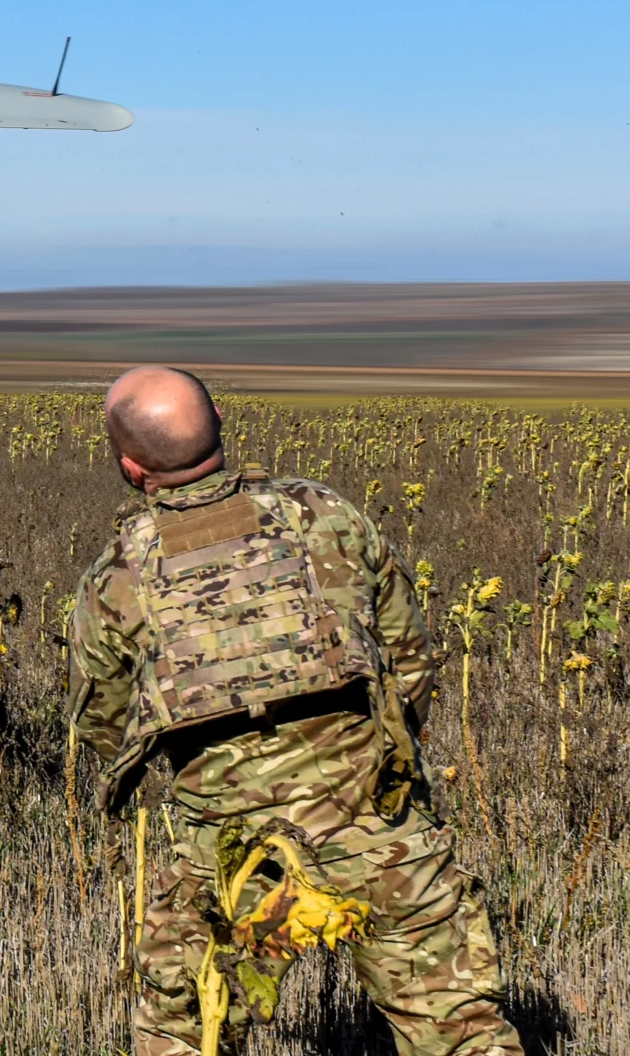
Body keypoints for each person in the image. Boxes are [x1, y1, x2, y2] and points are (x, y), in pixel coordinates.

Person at [69, 366, 522, 1056]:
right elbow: (410, 662)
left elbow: (103, 729)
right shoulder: (325, 514)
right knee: (463, 1036)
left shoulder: (116, 580)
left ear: (130, 466)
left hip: (228, 853)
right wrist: (384, 779)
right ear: (220, 417)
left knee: (187, 1034)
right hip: (377, 826)